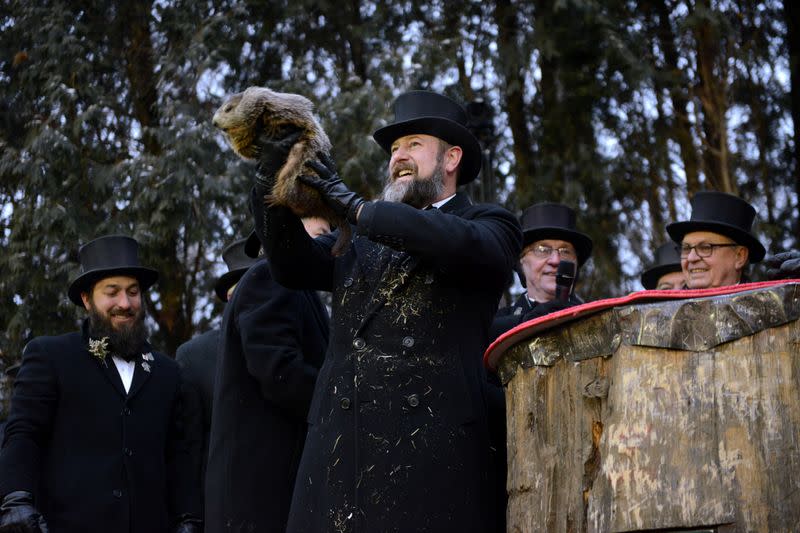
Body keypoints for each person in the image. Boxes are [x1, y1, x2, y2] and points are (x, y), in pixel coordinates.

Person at [251, 90, 522, 532]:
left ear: (451, 158)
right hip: (342, 456)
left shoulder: (490, 224)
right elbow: (290, 264)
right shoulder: (358, 239)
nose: (399, 156)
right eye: (395, 148)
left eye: (414, 144)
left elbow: (451, 241)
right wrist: (270, 178)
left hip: (430, 458)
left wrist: (357, 208)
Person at [0, 235, 201, 533]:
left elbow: (177, 457)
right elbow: (24, 433)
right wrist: (15, 498)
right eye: (112, 292)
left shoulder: (168, 372)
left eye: (133, 292)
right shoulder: (52, 356)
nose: (125, 303)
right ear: (86, 299)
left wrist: (188, 517)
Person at [204, 223, 331, 533]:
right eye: (322, 232)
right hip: (261, 502)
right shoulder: (271, 276)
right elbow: (279, 371)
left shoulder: (298, 289)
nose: (328, 245)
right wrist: (343, 399)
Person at [175, 236, 258, 512]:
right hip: (225, 505)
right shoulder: (194, 356)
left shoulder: (307, 344)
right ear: (230, 297)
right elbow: (190, 448)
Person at [490, 202, 593, 339]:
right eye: (542, 250)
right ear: (521, 261)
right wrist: (528, 322)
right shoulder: (493, 325)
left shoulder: (595, 318)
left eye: (565, 251)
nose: (555, 260)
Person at [666, 191, 765, 289]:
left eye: (705, 247)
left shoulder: (769, 303)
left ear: (740, 257)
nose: (691, 258)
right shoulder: (664, 305)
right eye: (686, 249)